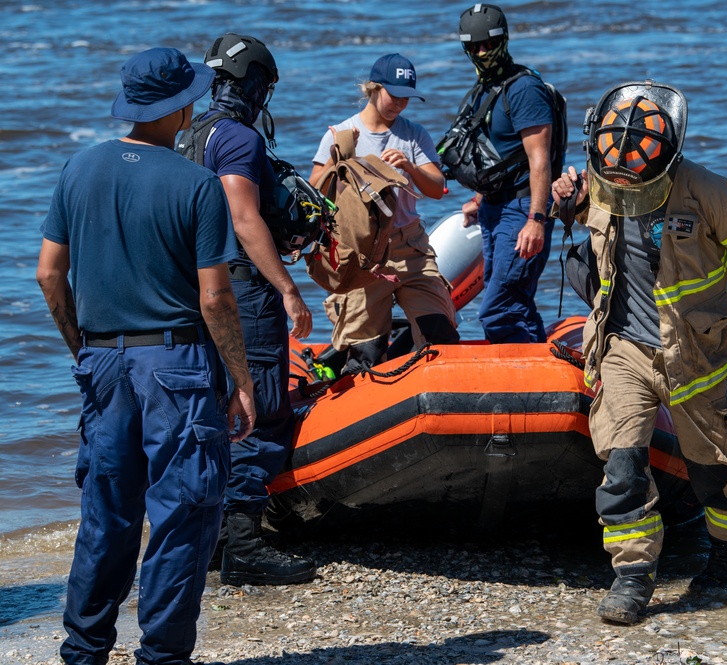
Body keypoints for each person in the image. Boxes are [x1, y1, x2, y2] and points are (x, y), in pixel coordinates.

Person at [36, 47, 256, 665]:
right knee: (183, 516)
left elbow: (50, 275)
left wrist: (84, 349)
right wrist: (240, 380)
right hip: (176, 366)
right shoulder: (197, 184)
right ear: (182, 108)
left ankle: (84, 651)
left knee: (105, 514)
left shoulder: (78, 168)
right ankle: (160, 656)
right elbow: (216, 299)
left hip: (104, 361)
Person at [552, 81, 727, 625]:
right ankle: (633, 577)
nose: (625, 182)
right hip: (623, 347)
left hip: (694, 356)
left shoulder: (708, 189)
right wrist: (567, 199)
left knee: (711, 474)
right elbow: (585, 229)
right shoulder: (602, 176)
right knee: (623, 465)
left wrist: (710, 282)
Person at [186, 33, 316, 586]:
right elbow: (244, 217)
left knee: (217, 406)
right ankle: (244, 545)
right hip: (243, 290)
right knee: (257, 407)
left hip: (199, 289)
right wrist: (287, 287)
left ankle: (213, 538)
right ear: (256, 82)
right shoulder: (239, 138)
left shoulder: (189, 135)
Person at [308, 53, 459, 369]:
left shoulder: (414, 135)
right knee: (366, 354)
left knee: (441, 335)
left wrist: (410, 167)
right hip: (362, 256)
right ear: (373, 88)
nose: (401, 104)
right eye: (395, 95)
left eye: (407, 97)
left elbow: (436, 188)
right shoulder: (342, 135)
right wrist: (343, 163)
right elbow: (314, 194)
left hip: (411, 249)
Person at [453, 3, 556, 343]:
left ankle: (524, 384)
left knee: (498, 307)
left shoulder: (524, 89)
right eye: (474, 46)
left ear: (504, 40)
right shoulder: (485, 88)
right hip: (494, 209)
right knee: (512, 298)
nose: (482, 52)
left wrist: (536, 219)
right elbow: (499, 157)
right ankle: (541, 370)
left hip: (522, 210)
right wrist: (479, 199)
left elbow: (539, 160)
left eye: (488, 44)